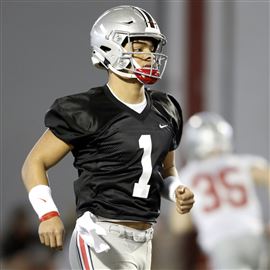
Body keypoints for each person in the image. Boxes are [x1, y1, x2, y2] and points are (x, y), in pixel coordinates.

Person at [21, 5, 195, 270]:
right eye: (139, 47)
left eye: (151, 47)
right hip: (100, 236)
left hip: (145, 239)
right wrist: (48, 213)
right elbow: (35, 162)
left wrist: (176, 190)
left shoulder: (166, 108)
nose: (149, 55)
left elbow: (164, 169)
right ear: (109, 47)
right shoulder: (87, 108)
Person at [170, 112, 269, 270]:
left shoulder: (189, 175)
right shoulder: (239, 163)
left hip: (222, 243)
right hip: (254, 236)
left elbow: (179, 225)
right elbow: (267, 175)